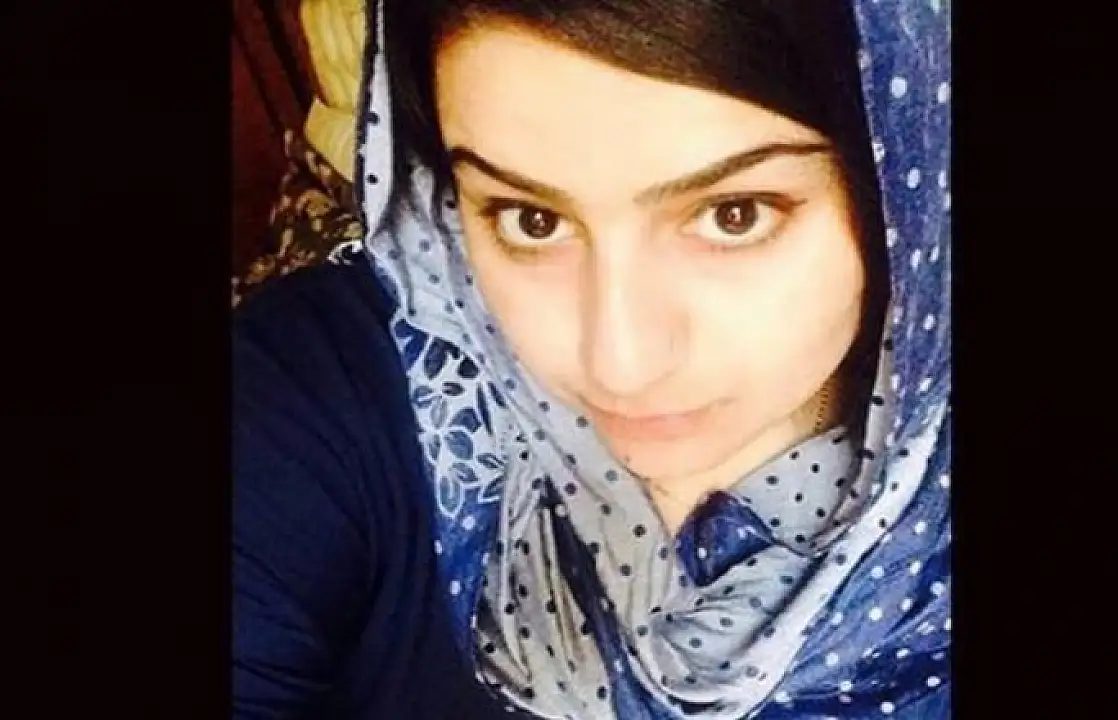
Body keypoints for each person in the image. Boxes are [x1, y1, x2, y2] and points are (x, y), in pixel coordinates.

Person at [232, 0, 951, 717]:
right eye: (531, 220)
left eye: (734, 215)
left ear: (905, 178)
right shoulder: (316, 395)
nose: (619, 364)